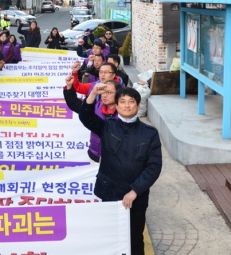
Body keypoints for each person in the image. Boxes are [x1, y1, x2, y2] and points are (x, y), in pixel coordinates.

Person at [79, 85, 162, 255]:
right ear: (116, 106)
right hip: (109, 193)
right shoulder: (107, 126)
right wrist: (93, 93)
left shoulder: (150, 133)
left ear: (138, 106)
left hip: (135, 198)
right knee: (109, 236)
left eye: (131, 102)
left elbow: (154, 166)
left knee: (135, 239)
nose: (126, 105)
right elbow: (85, 117)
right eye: (122, 102)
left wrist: (135, 191)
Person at [64, 78, 120, 162]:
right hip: (94, 155)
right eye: (103, 92)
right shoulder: (95, 106)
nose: (104, 95)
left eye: (108, 92)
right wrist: (69, 86)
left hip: (115, 160)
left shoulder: (124, 112)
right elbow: (76, 105)